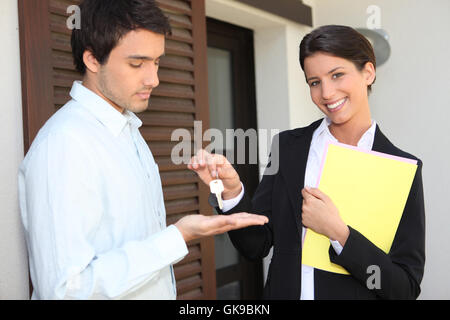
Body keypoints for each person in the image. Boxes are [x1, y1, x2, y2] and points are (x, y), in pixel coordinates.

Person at [18, 0, 268, 300]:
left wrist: (224, 189)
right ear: (93, 60)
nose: (154, 79)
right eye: (137, 64)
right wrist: (178, 236)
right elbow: (66, 290)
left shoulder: (128, 131)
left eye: (157, 62)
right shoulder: (63, 146)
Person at [189, 25, 425, 300]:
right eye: (314, 82)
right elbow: (256, 245)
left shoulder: (401, 169)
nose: (326, 93)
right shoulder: (288, 147)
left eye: (337, 75)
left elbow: (403, 288)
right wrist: (231, 192)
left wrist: (339, 234)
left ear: (368, 72)